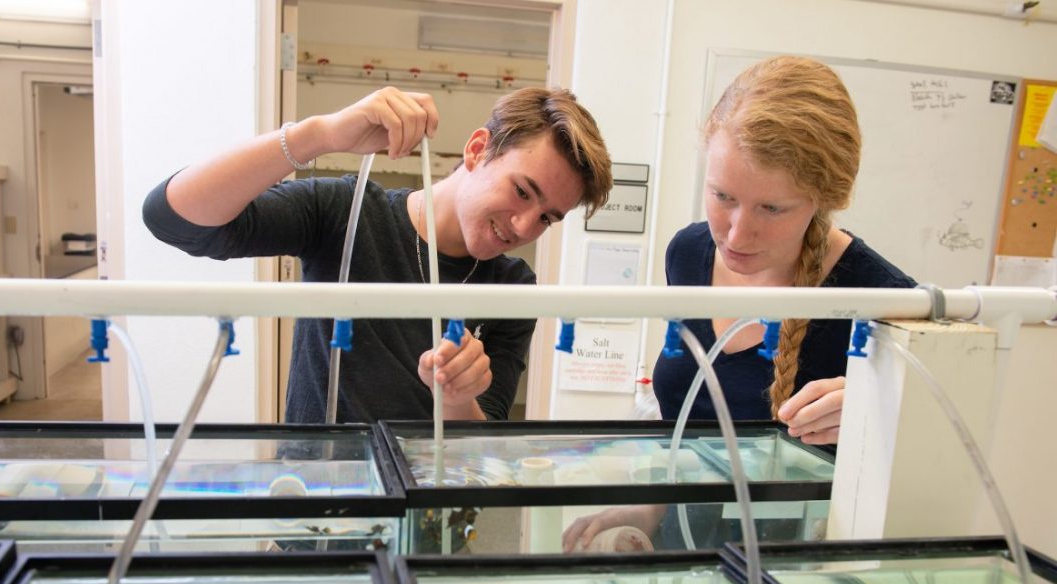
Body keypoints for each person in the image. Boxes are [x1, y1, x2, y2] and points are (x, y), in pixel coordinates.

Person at [563, 55, 916, 553]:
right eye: (722, 196)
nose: (736, 234)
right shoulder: (688, 254)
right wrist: (646, 507)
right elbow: (683, 425)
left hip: (798, 568)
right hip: (684, 556)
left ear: (824, 197)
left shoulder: (884, 303)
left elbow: (921, 477)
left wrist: (878, 420)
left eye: (771, 208)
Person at [143, 86, 612, 424]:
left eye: (547, 218)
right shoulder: (347, 213)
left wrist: (456, 396)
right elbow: (173, 219)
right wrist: (318, 135)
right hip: (320, 510)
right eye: (522, 191)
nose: (525, 228)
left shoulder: (512, 287)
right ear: (476, 151)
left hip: (427, 518)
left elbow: (481, 440)